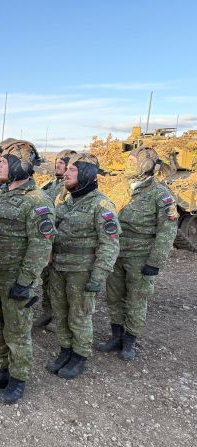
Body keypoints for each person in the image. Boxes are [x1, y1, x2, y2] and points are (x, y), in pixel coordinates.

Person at [0, 140, 54, 404]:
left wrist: (25, 281)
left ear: (20, 165)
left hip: (15, 280)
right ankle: (0, 369)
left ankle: (18, 378)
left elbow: (40, 247)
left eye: (3, 160)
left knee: (17, 331)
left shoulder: (38, 201)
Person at [46, 153, 120, 379]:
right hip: (58, 269)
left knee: (79, 315)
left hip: (82, 272)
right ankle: (65, 350)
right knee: (60, 312)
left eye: (72, 170)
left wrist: (97, 278)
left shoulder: (101, 204)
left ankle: (79, 355)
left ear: (87, 174)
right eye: (66, 169)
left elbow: (110, 245)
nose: (66, 174)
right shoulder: (65, 201)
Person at [101, 146, 178, 361]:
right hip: (115, 253)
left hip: (141, 257)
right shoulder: (120, 188)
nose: (128, 165)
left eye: (132, 162)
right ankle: (116, 336)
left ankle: (130, 340)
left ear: (146, 165)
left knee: (136, 299)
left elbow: (167, 231)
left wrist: (155, 262)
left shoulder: (161, 194)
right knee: (114, 296)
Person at [34, 148, 77, 330]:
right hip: (46, 238)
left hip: (61, 240)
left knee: (59, 282)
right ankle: (48, 311)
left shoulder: (70, 187)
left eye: (61, 163)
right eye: (57, 162)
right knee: (46, 278)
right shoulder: (50, 184)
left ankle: (60, 317)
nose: (57, 166)